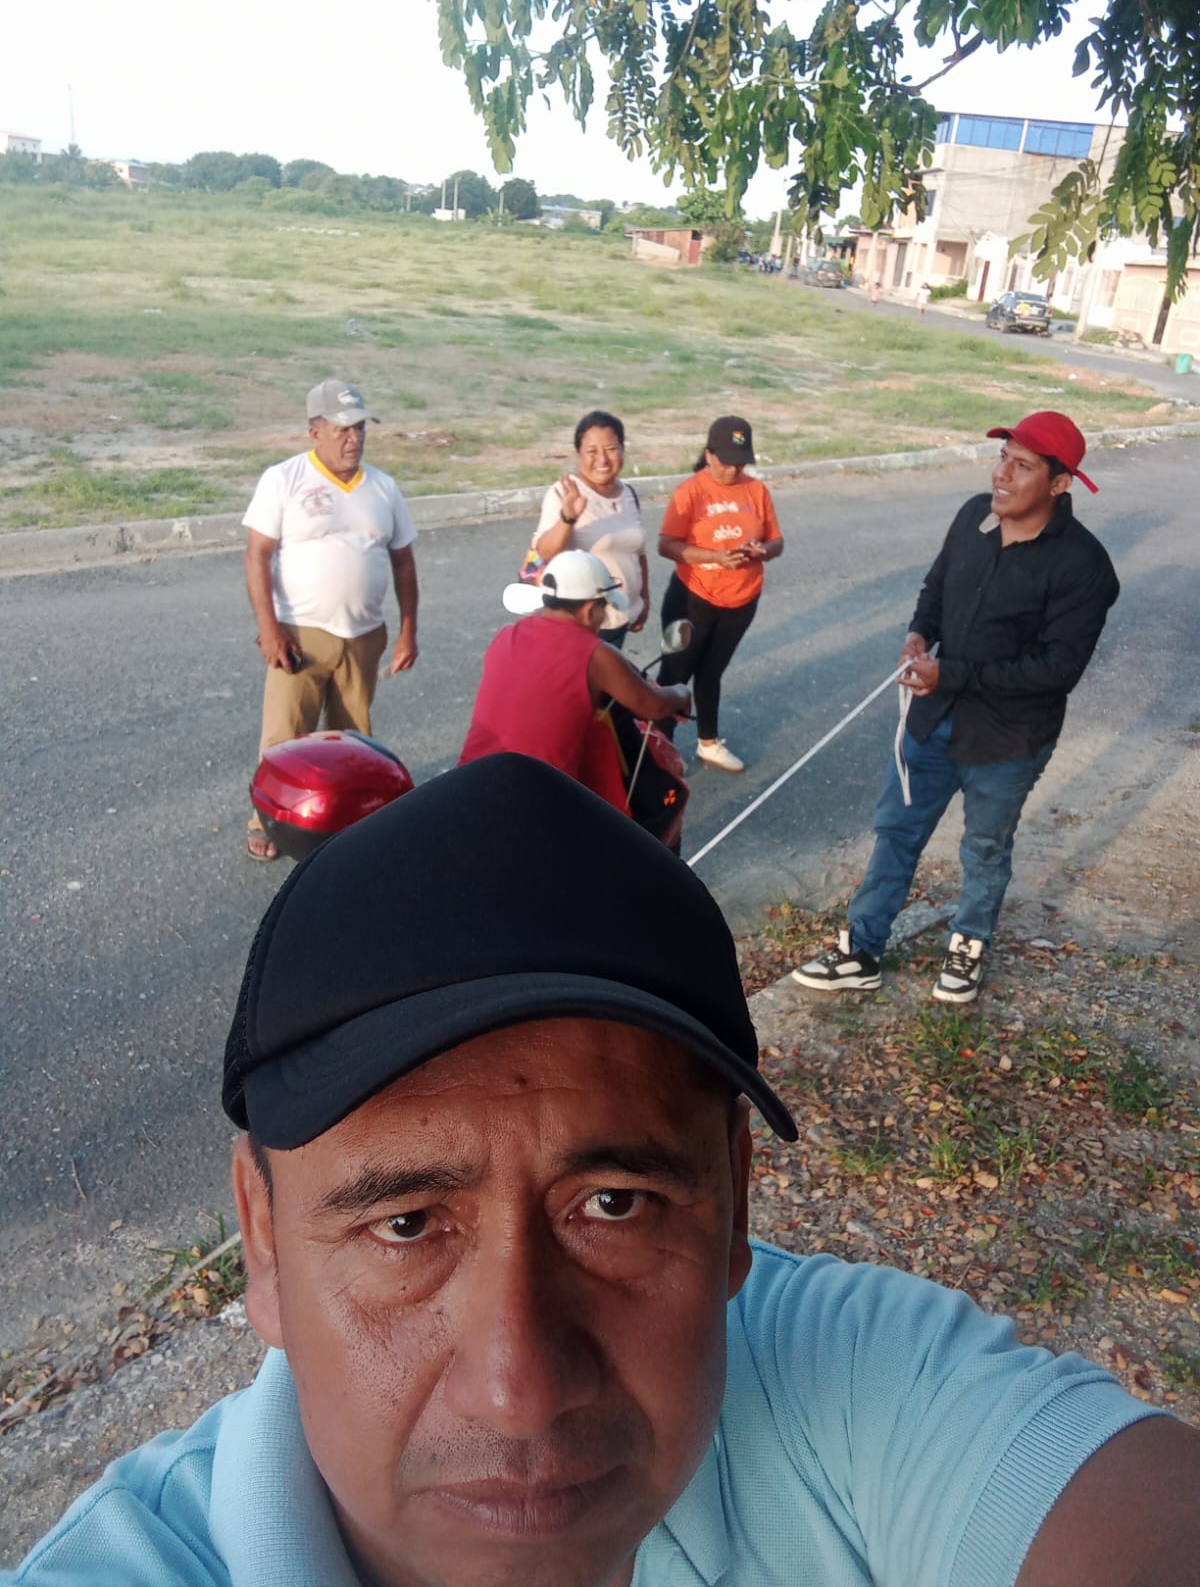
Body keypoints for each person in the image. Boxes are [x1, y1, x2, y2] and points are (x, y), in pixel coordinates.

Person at [11, 754, 1199, 1587]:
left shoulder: (845, 1380)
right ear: (262, 1244)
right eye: (407, 1223)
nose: (520, 1387)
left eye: (614, 1206)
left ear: (733, 1207)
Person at [794, 412, 1119, 1005]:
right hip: (931, 721)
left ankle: (968, 943)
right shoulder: (974, 516)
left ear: (1058, 483)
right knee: (895, 832)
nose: (1002, 475)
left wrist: (953, 674)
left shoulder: (1084, 566)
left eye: (1022, 466)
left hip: (1007, 741)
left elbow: (1057, 670)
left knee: (985, 848)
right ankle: (861, 949)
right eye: (1002, 458)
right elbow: (936, 590)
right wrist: (919, 635)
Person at [242, 379, 419, 862]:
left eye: (360, 428)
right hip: (299, 634)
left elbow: (404, 562)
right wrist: (270, 629)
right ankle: (268, 823)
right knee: (284, 738)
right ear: (314, 431)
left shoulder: (383, 487)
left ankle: (343, 822)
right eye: (342, 429)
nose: (353, 439)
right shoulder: (284, 479)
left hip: (364, 635)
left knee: (353, 742)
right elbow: (257, 555)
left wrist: (408, 631)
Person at [458, 550, 691, 814]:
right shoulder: (595, 654)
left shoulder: (506, 635)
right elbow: (654, 707)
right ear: (590, 610)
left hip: (467, 783)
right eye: (604, 609)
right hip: (533, 802)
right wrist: (681, 693)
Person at [656, 414, 783, 773]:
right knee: (674, 675)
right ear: (709, 455)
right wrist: (714, 557)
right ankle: (658, 750)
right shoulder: (690, 491)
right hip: (690, 599)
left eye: (741, 462)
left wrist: (762, 550)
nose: (733, 469)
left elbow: (777, 541)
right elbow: (666, 545)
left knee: (712, 673)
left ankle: (708, 743)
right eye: (726, 461)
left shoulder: (756, 491)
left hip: (741, 601)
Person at [529, 410, 648, 649]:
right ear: (578, 455)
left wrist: (643, 601)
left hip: (623, 616)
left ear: (622, 450)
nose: (602, 460)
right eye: (592, 452)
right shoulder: (564, 493)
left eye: (611, 449)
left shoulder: (628, 494)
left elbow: (638, 554)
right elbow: (545, 553)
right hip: (587, 624)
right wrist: (567, 518)